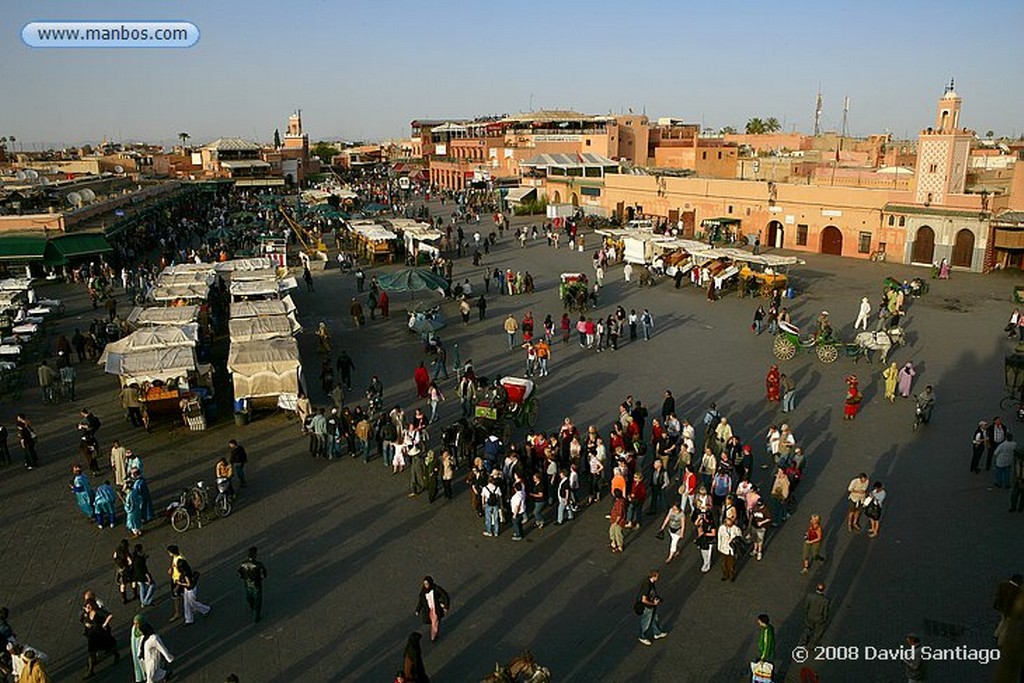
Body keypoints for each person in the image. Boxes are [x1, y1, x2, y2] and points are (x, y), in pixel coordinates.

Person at [167, 545, 210, 625]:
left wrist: (179, 584)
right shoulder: (183, 567)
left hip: (190, 588)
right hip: (187, 588)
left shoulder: (185, 574)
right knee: (186, 603)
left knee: (192, 603)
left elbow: (188, 584)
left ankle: (205, 609)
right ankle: (189, 619)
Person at [81, 596, 119, 677]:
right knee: (91, 653)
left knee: (108, 646)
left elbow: (110, 615)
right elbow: (83, 620)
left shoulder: (98, 612)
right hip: (92, 636)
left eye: (89, 606)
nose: (87, 607)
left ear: (93, 605)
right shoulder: (87, 613)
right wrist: (86, 623)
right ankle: (91, 671)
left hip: (100, 634)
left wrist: (105, 624)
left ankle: (116, 654)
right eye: (86, 606)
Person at [635, 570, 668, 645]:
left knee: (654, 619)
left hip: (651, 606)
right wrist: (653, 603)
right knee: (646, 622)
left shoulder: (651, 582)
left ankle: (657, 633)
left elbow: (652, 593)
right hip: (648, 607)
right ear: (653, 576)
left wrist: (657, 599)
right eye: (657, 576)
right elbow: (644, 600)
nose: (658, 578)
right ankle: (642, 636)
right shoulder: (647, 585)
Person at [414, 576, 450, 642]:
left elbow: (445, 595)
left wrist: (446, 606)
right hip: (429, 610)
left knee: (435, 622)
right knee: (434, 622)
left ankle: (433, 637)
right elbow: (421, 602)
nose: (426, 585)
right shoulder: (423, 592)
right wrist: (417, 610)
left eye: (427, 584)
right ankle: (434, 635)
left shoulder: (436, 589)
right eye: (425, 584)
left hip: (436, 609)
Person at [237, 546, 268, 623]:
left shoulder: (243, 564)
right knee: (258, 600)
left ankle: (251, 605)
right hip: (256, 584)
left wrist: (244, 577)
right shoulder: (258, 565)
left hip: (247, 584)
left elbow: (239, 574)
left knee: (249, 597)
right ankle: (256, 617)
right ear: (255, 555)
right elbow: (263, 575)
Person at [800, 583, 831, 648]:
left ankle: (804, 642)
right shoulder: (825, 600)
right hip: (819, 619)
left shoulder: (809, 596)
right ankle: (813, 644)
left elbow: (806, 607)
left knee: (807, 629)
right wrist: (825, 619)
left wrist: (806, 614)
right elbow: (825, 612)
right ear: (823, 589)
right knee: (818, 632)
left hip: (809, 616)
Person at [993, 574, 1022, 645]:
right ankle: (1001, 642)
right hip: (1008, 611)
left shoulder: (1003, 584)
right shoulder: (1015, 590)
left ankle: (996, 634)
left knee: (1002, 621)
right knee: (1007, 626)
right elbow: (1008, 601)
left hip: (1001, 608)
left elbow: (998, 596)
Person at [717, 516, 741, 581]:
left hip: (731, 549)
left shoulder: (736, 529)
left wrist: (733, 538)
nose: (730, 526)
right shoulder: (721, 528)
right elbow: (719, 538)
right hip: (723, 548)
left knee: (731, 564)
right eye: (728, 524)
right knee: (724, 563)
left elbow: (739, 537)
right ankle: (725, 575)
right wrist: (719, 547)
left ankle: (731, 575)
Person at [608, 489, 627, 553]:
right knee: (612, 531)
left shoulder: (619, 503)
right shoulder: (619, 501)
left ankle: (620, 547)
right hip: (614, 520)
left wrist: (616, 522)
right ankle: (613, 543)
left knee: (618, 533)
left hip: (618, 521)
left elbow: (619, 514)